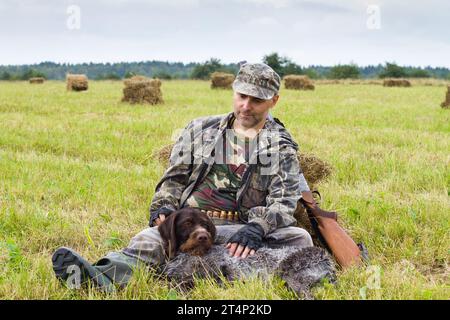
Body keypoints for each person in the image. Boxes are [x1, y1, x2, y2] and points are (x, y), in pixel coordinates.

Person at [52, 63, 313, 292]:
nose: (246, 106)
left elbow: (283, 201)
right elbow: (173, 178)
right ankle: (100, 277)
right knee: (148, 239)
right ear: (233, 92)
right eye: (242, 96)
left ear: (273, 101)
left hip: (240, 228)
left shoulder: (280, 146)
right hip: (190, 224)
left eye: (256, 100)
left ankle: (199, 265)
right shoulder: (200, 128)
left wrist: (258, 228)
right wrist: (163, 207)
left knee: (300, 238)